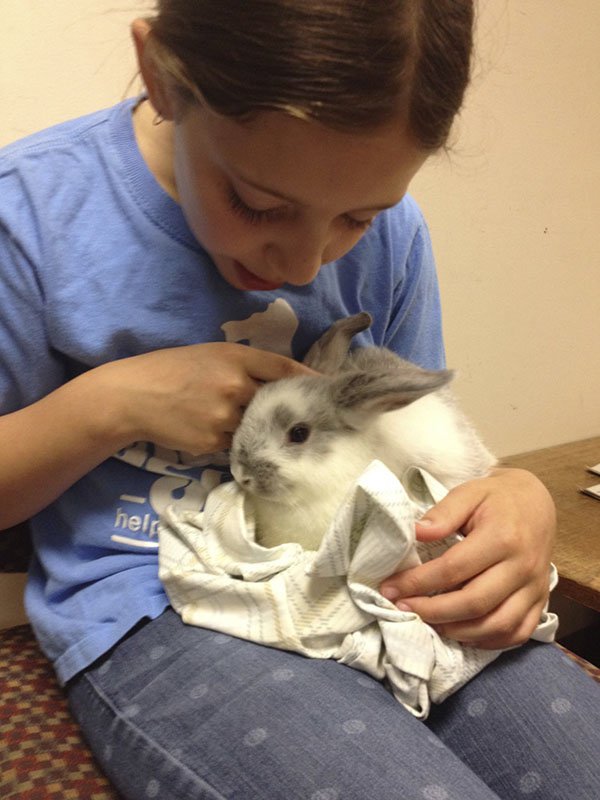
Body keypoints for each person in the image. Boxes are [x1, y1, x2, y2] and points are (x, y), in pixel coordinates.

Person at [1, 1, 598, 798]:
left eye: (357, 216)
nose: (307, 263)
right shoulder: (31, 214)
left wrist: (518, 498)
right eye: (258, 204)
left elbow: (434, 441)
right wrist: (111, 402)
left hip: (376, 578)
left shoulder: (398, 239)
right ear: (162, 76)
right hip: (164, 603)